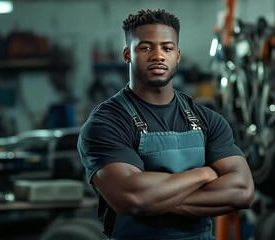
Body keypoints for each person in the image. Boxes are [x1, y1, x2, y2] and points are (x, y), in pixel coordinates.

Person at [77, 9, 254, 240]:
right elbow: (133, 197)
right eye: (146, 47)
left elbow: (242, 190)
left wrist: (156, 199)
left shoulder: (207, 120)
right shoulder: (107, 123)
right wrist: (203, 174)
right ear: (127, 54)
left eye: (167, 48)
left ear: (177, 55)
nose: (158, 55)